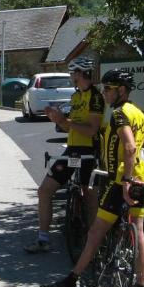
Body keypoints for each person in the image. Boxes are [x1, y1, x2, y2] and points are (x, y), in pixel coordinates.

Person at [40, 68, 144, 287]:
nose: (104, 93)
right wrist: (143, 179)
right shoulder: (140, 115)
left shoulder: (119, 114)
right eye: (104, 88)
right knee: (138, 232)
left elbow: (128, 147)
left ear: (122, 91)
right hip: (141, 178)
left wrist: (126, 181)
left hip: (120, 181)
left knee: (96, 233)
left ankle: (72, 280)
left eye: (108, 89)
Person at [24, 57, 105, 254]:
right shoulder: (76, 96)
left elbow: (92, 130)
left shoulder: (95, 97)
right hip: (73, 149)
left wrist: (65, 122)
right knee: (44, 190)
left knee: (89, 196)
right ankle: (43, 240)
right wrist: (57, 118)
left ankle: (95, 244)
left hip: (89, 151)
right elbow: (69, 127)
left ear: (79, 73)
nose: (70, 77)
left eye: (72, 73)